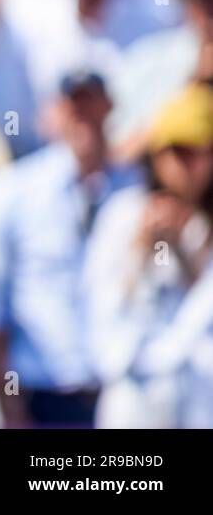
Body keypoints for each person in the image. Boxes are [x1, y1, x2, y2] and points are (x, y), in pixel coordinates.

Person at [0, 69, 139, 427]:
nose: (84, 117)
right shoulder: (15, 192)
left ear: (108, 107)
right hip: (45, 397)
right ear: (53, 113)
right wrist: (10, 408)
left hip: (121, 395)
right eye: (73, 107)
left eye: (91, 104)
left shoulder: (135, 188)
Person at [84, 84, 213, 427]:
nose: (186, 165)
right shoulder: (123, 214)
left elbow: (199, 312)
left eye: (197, 152)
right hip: (133, 395)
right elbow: (101, 302)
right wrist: (142, 248)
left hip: (200, 397)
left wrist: (183, 252)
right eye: (176, 152)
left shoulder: (205, 226)